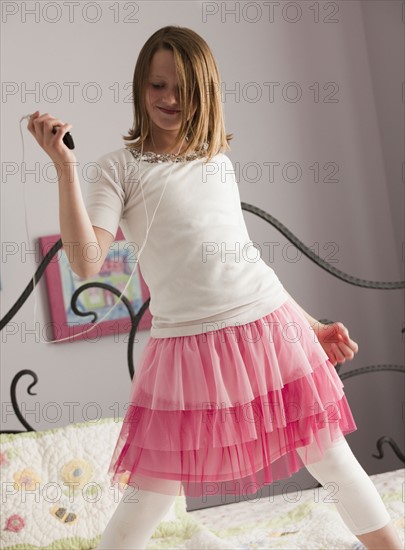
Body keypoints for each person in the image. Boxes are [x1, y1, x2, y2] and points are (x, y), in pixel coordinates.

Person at [27, 25, 402, 550]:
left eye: (182, 88)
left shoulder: (216, 162)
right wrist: (65, 168)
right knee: (150, 496)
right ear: (141, 88)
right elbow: (88, 263)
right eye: (157, 86)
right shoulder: (119, 169)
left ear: (206, 92)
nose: (169, 99)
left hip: (266, 329)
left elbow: (246, 262)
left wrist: (311, 325)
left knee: (333, 460)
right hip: (186, 349)